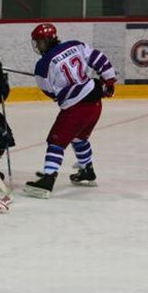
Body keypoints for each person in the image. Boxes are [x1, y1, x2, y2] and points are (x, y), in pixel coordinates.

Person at [23, 23, 117, 199]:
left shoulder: (42, 65)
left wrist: (62, 94)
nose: (38, 46)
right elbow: (99, 58)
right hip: (95, 103)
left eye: (40, 42)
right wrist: (109, 80)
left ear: (49, 40)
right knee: (79, 138)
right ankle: (87, 170)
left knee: (56, 142)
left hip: (76, 108)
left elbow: (49, 92)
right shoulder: (75, 45)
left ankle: (48, 179)